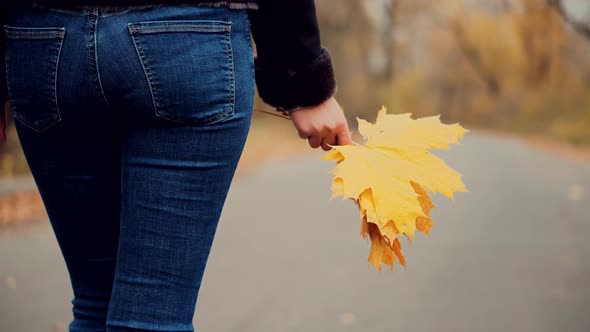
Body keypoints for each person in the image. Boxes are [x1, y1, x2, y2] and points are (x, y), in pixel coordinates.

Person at [1, 1, 352, 331]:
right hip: (187, 38)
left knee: (95, 305)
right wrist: (300, 76)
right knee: (152, 315)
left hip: (43, 42)